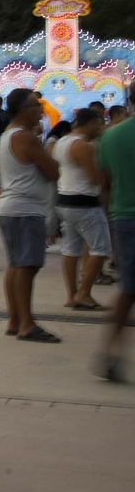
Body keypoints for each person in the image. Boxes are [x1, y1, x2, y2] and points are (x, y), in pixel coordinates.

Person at [0, 86, 62, 343]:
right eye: (37, 105)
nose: (41, 110)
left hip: (11, 208)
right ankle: (26, 323)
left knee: (16, 265)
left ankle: (15, 319)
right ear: (24, 110)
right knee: (27, 266)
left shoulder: (8, 135)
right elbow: (52, 171)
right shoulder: (25, 137)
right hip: (25, 209)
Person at [95, 83, 135, 381]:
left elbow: (104, 185)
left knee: (128, 289)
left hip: (124, 218)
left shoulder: (112, 136)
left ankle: (109, 351)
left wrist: (112, 217)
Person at [54, 107, 110, 311]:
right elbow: (95, 177)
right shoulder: (83, 146)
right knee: (100, 248)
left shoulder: (62, 142)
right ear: (92, 123)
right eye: (100, 123)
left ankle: (71, 295)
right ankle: (84, 293)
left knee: (70, 249)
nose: (102, 127)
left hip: (65, 200)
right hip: (85, 202)